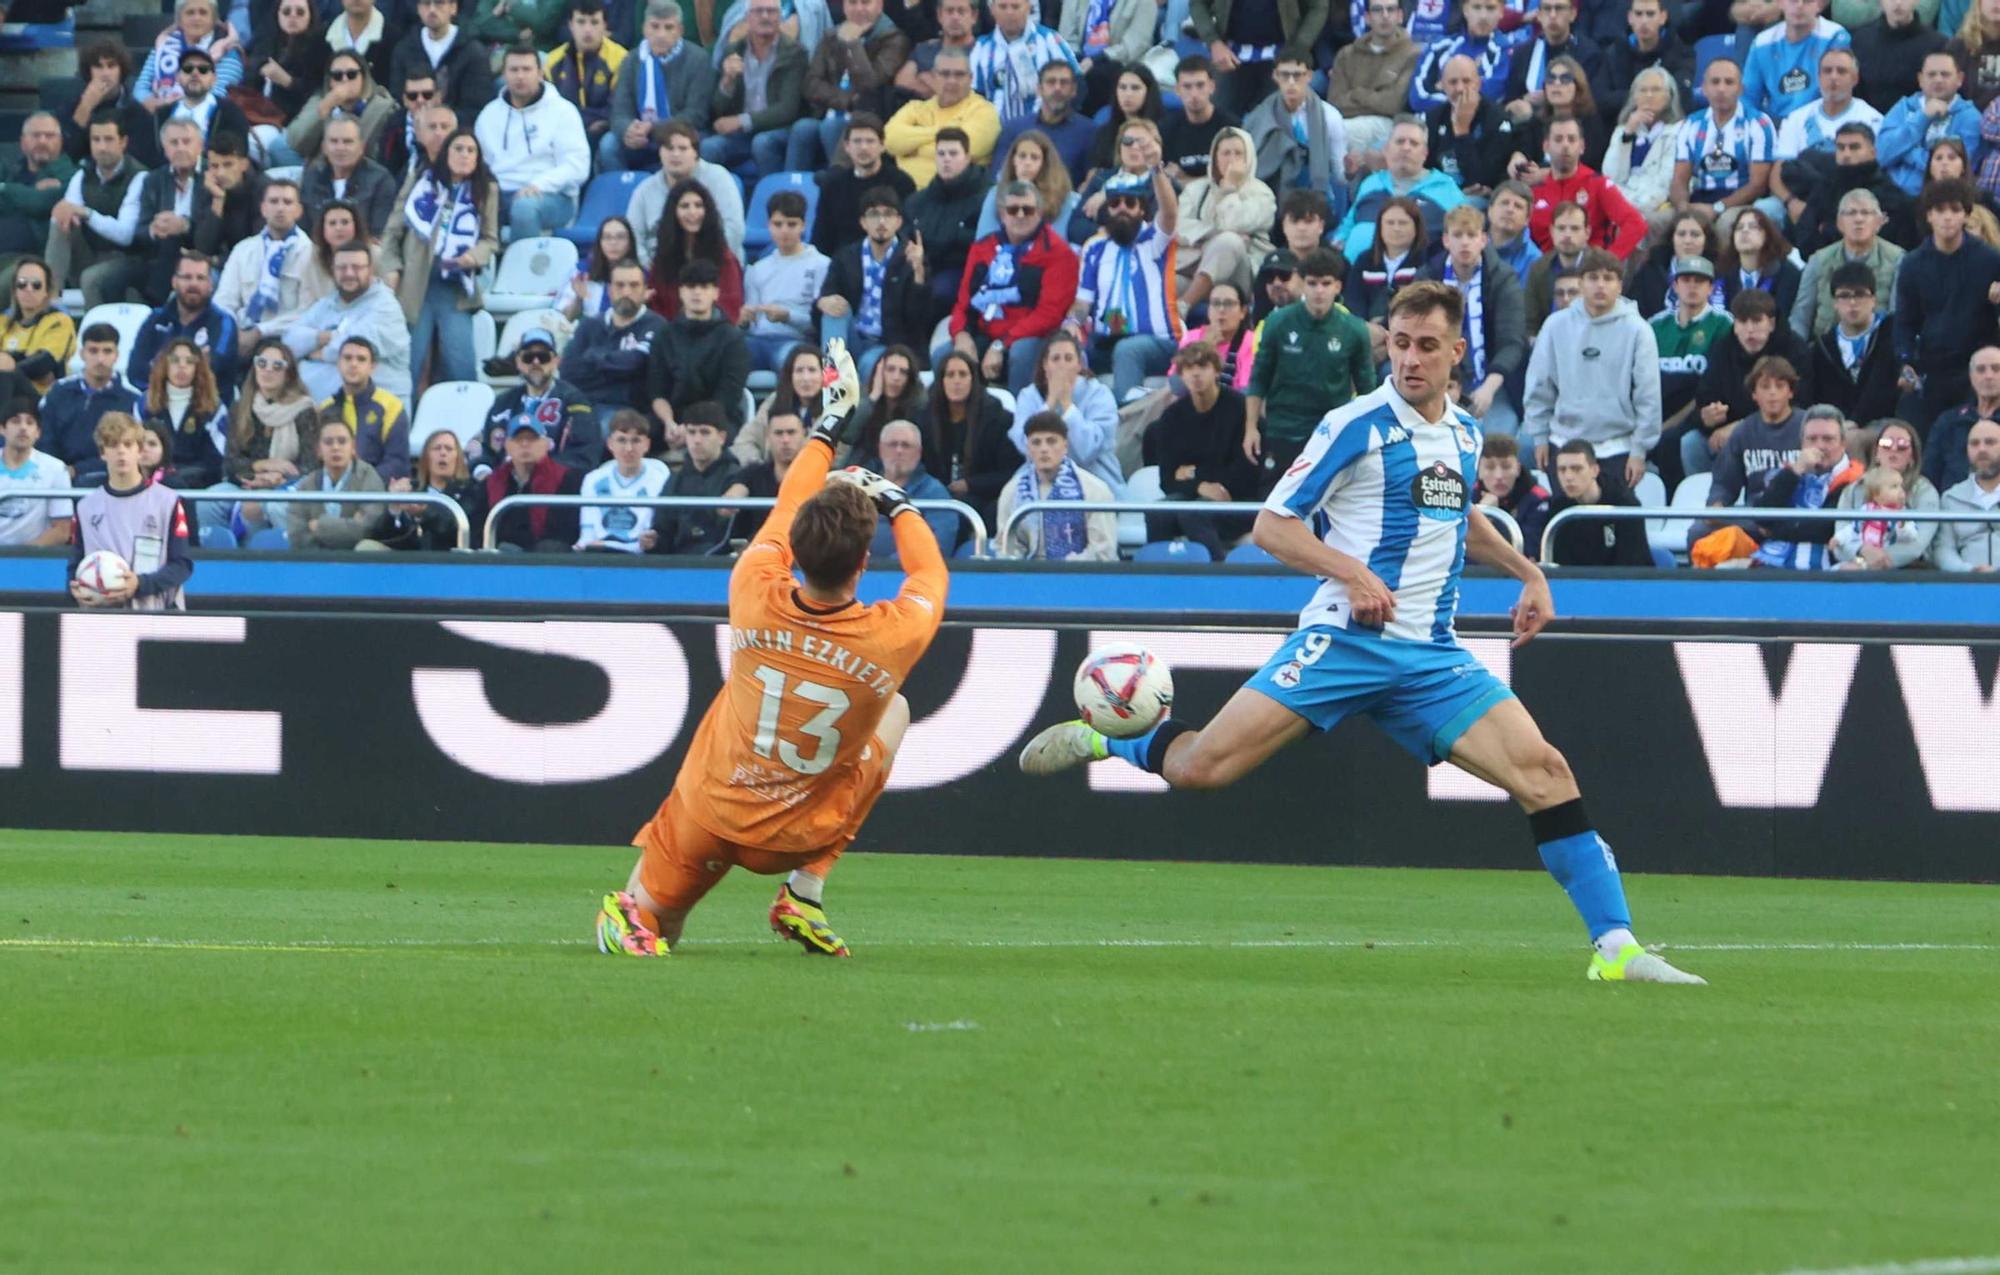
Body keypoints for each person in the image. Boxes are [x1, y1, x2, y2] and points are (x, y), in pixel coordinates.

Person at [1019, 280, 1704, 985]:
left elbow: (1459, 519)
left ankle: (1615, 947)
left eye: (1427, 346)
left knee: (1547, 772)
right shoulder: (1356, 424)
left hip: (1432, 657)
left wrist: (1529, 571)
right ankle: (1110, 737)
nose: (1410, 359)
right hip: (1345, 641)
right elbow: (1272, 525)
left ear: (1457, 352)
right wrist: (1350, 572)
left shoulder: (1466, 435)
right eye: (1399, 344)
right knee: (1202, 769)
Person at [596, 342, 944, 957]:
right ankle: (805, 890)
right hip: (798, 836)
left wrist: (831, 424)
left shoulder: (753, 587)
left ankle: (631, 918)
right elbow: (929, 577)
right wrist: (897, 500)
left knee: (660, 927)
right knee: (895, 711)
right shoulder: (892, 635)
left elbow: (787, 507)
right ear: (864, 563)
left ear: (796, 555)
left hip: (711, 809)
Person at [1522, 247, 1660, 479]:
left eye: (1608, 278)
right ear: (1581, 283)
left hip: (1619, 446)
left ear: (1620, 284)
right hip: (1564, 442)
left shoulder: (1639, 330)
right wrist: (1539, 437)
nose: (1600, 285)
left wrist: (1639, 451)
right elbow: (1539, 386)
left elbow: (1648, 397)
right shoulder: (1555, 326)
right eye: (1593, 278)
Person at [378, 126, 500, 387]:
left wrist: (474, 256)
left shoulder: (486, 189)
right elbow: (392, 231)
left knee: (461, 366)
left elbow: (490, 240)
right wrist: (391, 267)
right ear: (446, 153)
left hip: (454, 289)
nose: (465, 155)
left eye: (471, 150)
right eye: (458, 149)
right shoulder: (421, 181)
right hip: (414, 288)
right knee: (408, 367)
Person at [949, 180, 1081, 395]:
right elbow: (964, 302)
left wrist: (1002, 344)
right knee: (947, 354)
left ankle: (1022, 419)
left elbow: (1049, 314)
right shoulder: (982, 247)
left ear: (1039, 212)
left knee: (1022, 351)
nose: (1020, 215)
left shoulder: (1058, 252)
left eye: (1027, 210)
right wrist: (961, 334)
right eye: (1013, 209)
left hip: (1030, 337)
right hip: (985, 331)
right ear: (1002, 213)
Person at [1066, 166, 1182, 403]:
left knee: (1128, 350)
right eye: (1115, 203)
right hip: (1105, 343)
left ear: (1142, 209)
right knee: (1060, 349)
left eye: (1130, 203)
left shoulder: (1154, 240)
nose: (1122, 209)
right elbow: (1082, 304)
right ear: (1106, 209)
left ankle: (1126, 423)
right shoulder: (1095, 250)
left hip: (1156, 343)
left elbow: (1170, 213)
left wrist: (1157, 170)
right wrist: (1070, 325)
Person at [1895, 179, 2000, 424]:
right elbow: (1904, 321)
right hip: (1932, 367)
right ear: (1929, 216)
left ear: (1965, 215)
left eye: (1955, 209)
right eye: (1940, 210)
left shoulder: (1990, 260)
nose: (1948, 217)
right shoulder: (1913, 264)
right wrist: (1905, 360)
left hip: (1978, 365)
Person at [67, 412, 193, 610]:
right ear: (102, 452)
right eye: (113, 445)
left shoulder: (168, 501)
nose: (121, 452)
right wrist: (74, 589)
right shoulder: (86, 507)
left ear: (139, 450)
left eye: (128, 444)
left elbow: (182, 565)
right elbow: (75, 564)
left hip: (155, 615)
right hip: (101, 617)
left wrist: (139, 584)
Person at [1143, 342, 1258, 558]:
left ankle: (1217, 577)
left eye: (1203, 366)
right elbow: (1167, 479)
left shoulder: (1239, 409)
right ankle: (1158, 579)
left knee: (1194, 514)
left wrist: (1193, 473)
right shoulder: (1171, 418)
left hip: (1239, 500)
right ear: (1181, 375)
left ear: (1216, 370)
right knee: (1159, 512)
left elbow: (1245, 472)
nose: (1196, 374)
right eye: (1188, 368)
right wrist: (1201, 485)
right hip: (1195, 496)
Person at [1421, 205, 1526, 437]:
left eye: (1472, 235)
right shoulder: (1428, 277)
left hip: (1490, 380)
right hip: (1437, 378)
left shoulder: (1503, 278)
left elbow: (1513, 341)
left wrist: (1488, 388)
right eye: (1458, 235)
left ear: (1484, 240)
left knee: (1498, 437)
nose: (1465, 243)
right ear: (1446, 240)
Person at [211, 336, 324, 538]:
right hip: (248, 482)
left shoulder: (304, 410)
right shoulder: (240, 407)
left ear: (288, 373)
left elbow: (311, 465)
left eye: (277, 365)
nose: (268, 370)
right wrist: (261, 467)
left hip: (290, 485)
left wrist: (278, 479)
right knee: (208, 501)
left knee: (259, 506)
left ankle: (266, 557)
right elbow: (229, 463)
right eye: (261, 363)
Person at [474, 45, 589, 240]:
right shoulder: (489, 114)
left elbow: (577, 166)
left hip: (551, 196)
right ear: (504, 74)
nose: (520, 76)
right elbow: (481, 165)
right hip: (500, 192)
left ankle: (521, 269)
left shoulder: (563, 111)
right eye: (514, 70)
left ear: (540, 73)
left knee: (524, 208)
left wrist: (539, 184)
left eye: (527, 69)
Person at [816, 187, 931, 380]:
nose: (881, 221)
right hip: (854, 336)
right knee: (833, 313)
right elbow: (827, 294)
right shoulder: (846, 256)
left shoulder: (911, 257)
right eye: (874, 215)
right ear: (863, 222)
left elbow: (918, 321)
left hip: (889, 344)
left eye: (888, 214)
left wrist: (918, 272)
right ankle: (832, 387)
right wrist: (822, 303)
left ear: (899, 221)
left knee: (869, 363)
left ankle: (854, 403)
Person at [790, 0, 911, 171]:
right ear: (844, 7)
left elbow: (871, 85)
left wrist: (853, 44)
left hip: (868, 118)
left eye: (866, 3)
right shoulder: (831, 36)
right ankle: (792, 190)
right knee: (801, 129)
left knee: (831, 127)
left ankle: (837, 183)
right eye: (852, 3)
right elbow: (811, 84)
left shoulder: (894, 39)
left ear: (880, 6)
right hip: (830, 111)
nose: (859, 9)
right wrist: (847, 100)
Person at [285, 242, 411, 400]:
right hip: (323, 409)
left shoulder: (386, 306)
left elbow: (353, 349)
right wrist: (329, 336)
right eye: (342, 268)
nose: (349, 273)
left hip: (377, 410)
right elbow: (289, 341)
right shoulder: (328, 303)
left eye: (357, 267)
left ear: (371, 270)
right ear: (333, 271)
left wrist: (314, 353)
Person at [44, 114, 146, 307]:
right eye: (96, 140)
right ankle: (50, 300)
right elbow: (67, 213)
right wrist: (68, 212)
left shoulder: (139, 177)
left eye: (108, 140)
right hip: (90, 254)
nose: (101, 147)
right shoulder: (83, 175)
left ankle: (96, 335)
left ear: (123, 142)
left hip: (127, 259)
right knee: (61, 220)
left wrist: (86, 213)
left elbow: (125, 235)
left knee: (91, 278)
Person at [602, 2, 715, 172]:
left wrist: (654, 129)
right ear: (644, 29)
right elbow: (619, 110)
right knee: (608, 145)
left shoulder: (698, 59)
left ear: (680, 31)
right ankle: (624, 192)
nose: (661, 34)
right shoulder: (631, 60)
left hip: (680, 136)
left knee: (706, 146)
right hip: (641, 138)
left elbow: (696, 115)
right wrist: (628, 129)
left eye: (669, 27)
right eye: (654, 27)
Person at [701, 0, 809, 179]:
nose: (765, 16)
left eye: (771, 11)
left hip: (779, 129)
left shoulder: (795, 54)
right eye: (758, 11)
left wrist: (741, 121)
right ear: (747, 18)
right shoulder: (733, 51)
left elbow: (787, 110)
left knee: (763, 143)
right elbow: (718, 109)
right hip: (741, 134)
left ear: (780, 18)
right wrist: (727, 81)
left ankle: (773, 199)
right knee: (710, 147)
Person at [651, 258, 754, 442]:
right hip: (672, 420)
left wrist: (692, 430)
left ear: (716, 293)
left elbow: (728, 396)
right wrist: (670, 424)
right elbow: (657, 392)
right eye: (691, 286)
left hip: (718, 420)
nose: (697, 292)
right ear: (681, 292)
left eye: (704, 287)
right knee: (637, 433)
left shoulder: (732, 338)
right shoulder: (664, 335)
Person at [917, 348, 1018, 534]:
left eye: (963, 374)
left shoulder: (997, 418)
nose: (957, 381)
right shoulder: (926, 419)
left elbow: (1011, 473)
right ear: (941, 381)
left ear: (973, 379)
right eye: (950, 375)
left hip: (984, 497)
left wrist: (971, 484)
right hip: (937, 494)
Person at [1174, 127, 1276, 312]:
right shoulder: (1196, 189)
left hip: (1242, 275)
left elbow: (1231, 223)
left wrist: (1228, 188)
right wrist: (1212, 239)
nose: (1231, 159)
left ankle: (1184, 306)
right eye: (1225, 153)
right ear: (1215, 158)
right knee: (1166, 283)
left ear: (1249, 158)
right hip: (1196, 269)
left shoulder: (1262, 193)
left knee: (1229, 241)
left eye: (1238, 153)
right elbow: (1178, 228)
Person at [1008, 331, 1122, 494]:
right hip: (1040, 482)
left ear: (1079, 365)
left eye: (1068, 358)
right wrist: (1051, 402)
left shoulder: (1099, 394)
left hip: (1096, 483)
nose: (1062, 365)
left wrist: (1067, 404)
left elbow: (1087, 451)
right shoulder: (1029, 395)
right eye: (1055, 359)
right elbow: (1023, 445)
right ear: (1045, 365)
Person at [1334, 117, 1465, 258]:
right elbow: (1348, 225)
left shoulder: (1445, 188)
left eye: (1414, 143)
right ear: (1386, 149)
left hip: (1417, 276)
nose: (1406, 148)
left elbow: (1466, 231)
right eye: (1400, 141)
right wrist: (1338, 243)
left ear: (1425, 153)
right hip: (1356, 272)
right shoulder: (1371, 183)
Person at [1749, 408, 1863, 567]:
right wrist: (1794, 471)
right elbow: (1761, 516)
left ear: (1843, 444)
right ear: (1802, 443)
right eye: (1812, 439)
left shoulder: (1857, 481)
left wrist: (1776, 529)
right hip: (1771, 561)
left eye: (1828, 439)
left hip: (1823, 568)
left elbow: (1825, 529)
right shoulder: (1790, 473)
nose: (1819, 446)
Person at [996, 410, 1117, 559]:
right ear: (1028, 449)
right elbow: (1006, 548)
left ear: (1065, 446)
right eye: (1036, 442)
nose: (1044, 449)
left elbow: (1103, 551)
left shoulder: (1095, 490)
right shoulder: (1012, 491)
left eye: (1051, 441)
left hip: (1079, 576)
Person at [215, 179, 316, 354]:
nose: (280, 208)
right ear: (263, 208)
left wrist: (261, 331)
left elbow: (309, 311)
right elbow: (224, 301)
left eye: (287, 202)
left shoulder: (312, 254)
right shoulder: (243, 249)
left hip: (286, 339)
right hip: (241, 334)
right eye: (274, 201)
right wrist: (234, 332)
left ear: (299, 210)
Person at [1525, 116, 1646, 259]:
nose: (1565, 145)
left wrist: (1609, 261)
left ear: (1582, 146)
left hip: (1588, 271)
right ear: (1546, 147)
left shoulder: (1597, 184)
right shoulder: (1534, 191)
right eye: (1558, 139)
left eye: (1571, 139)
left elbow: (1636, 224)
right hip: (1545, 270)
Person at [1793, 185, 1905, 338]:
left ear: (1879, 222)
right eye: (1851, 213)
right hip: (1824, 351)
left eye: (1865, 213)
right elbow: (1801, 316)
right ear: (1839, 223)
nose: (1858, 219)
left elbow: (1898, 316)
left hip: (1878, 350)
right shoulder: (1818, 260)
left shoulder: (1898, 259)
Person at [626, 122, 746, 266]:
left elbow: (734, 229)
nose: (675, 154)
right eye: (669, 148)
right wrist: (651, 268)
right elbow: (634, 237)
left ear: (695, 152)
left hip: (714, 269)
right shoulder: (644, 190)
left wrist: (703, 267)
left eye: (682, 148)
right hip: (662, 272)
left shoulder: (719, 178)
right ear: (660, 152)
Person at [1671, 59, 1775, 222]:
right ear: (1704, 89)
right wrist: (1683, 208)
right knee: (1654, 222)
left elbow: (1758, 185)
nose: (1721, 89)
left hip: (1741, 204)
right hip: (1699, 199)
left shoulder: (1758, 123)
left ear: (1740, 89)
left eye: (1729, 82)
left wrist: (1718, 208)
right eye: (1715, 82)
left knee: (1726, 223)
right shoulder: (1691, 124)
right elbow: (1679, 180)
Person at [1244, 52, 1350, 214]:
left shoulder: (1330, 116)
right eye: (1285, 75)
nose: (1291, 82)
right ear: (1275, 76)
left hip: (1313, 189)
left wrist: (1350, 171)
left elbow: (1339, 171)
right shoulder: (1259, 115)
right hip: (1270, 189)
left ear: (1309, 76)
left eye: (1297, 75)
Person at [485, 327, 601, 470]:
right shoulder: (503, 402)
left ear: (556, 361)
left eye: (543, 357)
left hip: (553, 486)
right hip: (504, 484)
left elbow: (585, 455)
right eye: (528, 357)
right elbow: (485, 450)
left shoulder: (575, 401)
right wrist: (482, 471)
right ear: (518, 362)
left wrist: (538, 473)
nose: (536, 362)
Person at [884, 48, 1001, 188]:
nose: (952, 81)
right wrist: (948, 132)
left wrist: (913, 149)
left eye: (959, 75)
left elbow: (969, 148)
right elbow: (890, 141)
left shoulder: (984, 111)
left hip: (959, 197)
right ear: (933, 77)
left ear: (970, 78)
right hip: (907, 197)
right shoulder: (915, 108)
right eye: (945, 74)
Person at [741, 191, 831, 372]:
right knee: (729, 358)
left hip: (796, 341)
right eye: (778, 224)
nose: (784, 231)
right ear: (769, 226)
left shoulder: (821, 265)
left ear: (803, 226)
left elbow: (819, 324)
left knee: (790, 363)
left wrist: (787, 317)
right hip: (758, 340)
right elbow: (751, 323)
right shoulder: (757, 269)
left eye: (791, 224)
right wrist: (743, 320)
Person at [565, 260, 667, 419]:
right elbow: (569, 372)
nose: (626, 292)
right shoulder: (589, 325)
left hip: (634, 412)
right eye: (620, 285)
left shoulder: (657, 325)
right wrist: (617, 368)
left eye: (634, 285)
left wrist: (593, 355)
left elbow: (635, 363)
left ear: (644, 290)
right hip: (588, 407)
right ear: (610, 290)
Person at [469, 412, 583, 551]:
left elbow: (568, 531)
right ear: (507, 445)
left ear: (546, 444)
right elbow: (477, 530)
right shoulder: (491, 483)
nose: (524, 444)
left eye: (532, 439)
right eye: (518, 439)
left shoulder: (567, 479)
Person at [1709, 356, 1810, 513]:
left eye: (1779, 386)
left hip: (1800, 512)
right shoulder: (1743, 432)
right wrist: (1717, 503)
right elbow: (1724, 483)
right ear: (1754, 394)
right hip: (1755, 514)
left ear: (1790, 392)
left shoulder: (1809, 426)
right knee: (1699, 530)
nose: (1772, 393)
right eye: (1765, 387)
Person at [1654, 254, 1733, 448]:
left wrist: (1669, 425)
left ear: (1711, 288)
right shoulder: (1655, 325)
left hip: (1696, 414)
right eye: (1686, 280)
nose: (1692, 286)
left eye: (1699, 281)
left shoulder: (1724, 324)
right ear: (1675, 286)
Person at [243, 0, 334, 167]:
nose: (292, 16)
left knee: (250, 143)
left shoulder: (320, 47)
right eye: (286, 12)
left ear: (310, 16)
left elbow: (317, 93)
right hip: (258, 115)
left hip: (291, 124)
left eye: (300, 12)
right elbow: (248, 82)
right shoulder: (266, 42)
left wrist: (288, 81)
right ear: (277, 15)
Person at [813, 115, 918, 259]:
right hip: (843, 263)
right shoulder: (832, 185)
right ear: (847, 147)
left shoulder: (901, 183)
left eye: (870, 141)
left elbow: (907, 233)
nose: (863, 147)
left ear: (882, 145)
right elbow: (822, 236)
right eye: (857, 141)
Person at [1809, 262, 1900, 427]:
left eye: (1860, 294)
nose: (1852, 303)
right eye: (1844, 296)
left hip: (1886, 424)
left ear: (1873, 299)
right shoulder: (1823, 347)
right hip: (1837, 427)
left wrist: (1855, 421)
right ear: (1834, 303)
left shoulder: (1891, 332)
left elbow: (1883, 387)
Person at [1879, 51, 1982, 197]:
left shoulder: (1970, 117)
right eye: (1931, 74)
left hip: (1943, 199)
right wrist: (1923, 117)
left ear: (1960, 79)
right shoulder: (1903, 108)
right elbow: (1881, 155)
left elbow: (1960, 167)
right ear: (1920, 79)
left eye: (1945, 74)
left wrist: (1906, 152)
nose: (1938, 80)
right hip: (1893, 197)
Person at [1832, 427, 1937, 567]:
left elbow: (1917, 545)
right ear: (1876, 453)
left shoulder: (1925, 491)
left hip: (1908, 568)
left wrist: (1878, 561)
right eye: (1886, 444)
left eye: (1902, 445)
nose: (1893, 450)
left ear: (1912, 457)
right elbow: (1841, 538)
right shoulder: (1853, 490)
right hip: (1857, 562)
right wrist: (1862, 553)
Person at [1330, 0, 1422, 158]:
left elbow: (1393, 104)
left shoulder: (1412, 54)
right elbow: (1335, 103)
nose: (1385, 16)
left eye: (1391, 10)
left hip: (1390, 125)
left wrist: (1356, 94)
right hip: (1347, 123)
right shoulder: (1346, 55)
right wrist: (1375, 99)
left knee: (1340, 133)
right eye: (1378, 10)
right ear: (1367, 17)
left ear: (1400, 16)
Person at [648, 401, 740, 554]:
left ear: (722, 437)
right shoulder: (675, 479)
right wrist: (653, 541)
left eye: (705, 432)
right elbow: (663, 530)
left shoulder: (738, 478)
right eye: (691, 432)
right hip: (677, 565)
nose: (697, 440)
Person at [316, 334, 409, 483]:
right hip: (331, 491)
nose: (353, 364)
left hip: (374, 494)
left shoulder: (391, 406)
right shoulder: (325, 408)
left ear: (372, 367)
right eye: (347, 358)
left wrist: (361, 484)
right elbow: (315, 459)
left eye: (361, 359)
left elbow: (397, 462)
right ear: (338, 364)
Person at [648, 179, 745, 321]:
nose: (692, 212)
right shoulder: (663, 259)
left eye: (698, 205)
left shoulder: (724, 258)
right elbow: (657, 306)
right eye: (685, 206)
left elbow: (731, 307)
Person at [1423, 54, 1519, 198]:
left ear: (1478, 83)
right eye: (1453, 82)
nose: (1460, 88)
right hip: (1441, 195)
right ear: (1442, 85)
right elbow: (1427, 169)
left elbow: (1481, 180)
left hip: (1481, 199)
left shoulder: (1497, 118)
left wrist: (1462, 131)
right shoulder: (1434, 118)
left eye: (1466, 81)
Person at [1544, 439, 1653, 566]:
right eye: (1562, 470)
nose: (1568, 477)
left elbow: (1634, 563)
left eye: (1576, 469)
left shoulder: (1625, 506)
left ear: (1594, 470)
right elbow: (1558, 563)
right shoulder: (1558, 509)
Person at [969, 0, 1079, 125]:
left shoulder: (1050, 40)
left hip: (1044, 131)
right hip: (993, 133)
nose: (1009, 12)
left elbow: (1078, 83)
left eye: (1015, 6)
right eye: (1003, 6)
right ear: (992, 9)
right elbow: (972, 96)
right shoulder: (980, 47)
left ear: (1028, 7)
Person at [286, 413, 388, 548]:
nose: (335, 447)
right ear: (318, 450)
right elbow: (296, 535)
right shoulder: (307, 484)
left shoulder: (368, 477)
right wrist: (348, 524)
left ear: (353, 447)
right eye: (328, 442)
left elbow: (365, 529)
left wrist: (319, 526)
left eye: (342, 441)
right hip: (317, 562)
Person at [137, 336, 228, 488]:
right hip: (150, 483)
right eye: (175, 360)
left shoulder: (214, 407)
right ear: (164, 364)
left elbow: (217, 459)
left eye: (189, 361)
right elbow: (135, 449)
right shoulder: (144, 402)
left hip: (198, 485)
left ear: (198, 367)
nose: (182, 366)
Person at [1741, 0, 1849, 124]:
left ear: (1820, 4)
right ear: (1780, 3)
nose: (1799, 6)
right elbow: (1748, 97)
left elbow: (1837, 93)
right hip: (1777, 126)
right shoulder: (1762, 42)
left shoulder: (1834, 36)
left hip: (1820, 123)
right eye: (1793, 0)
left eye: (1808, 1)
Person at [544, 0, 626, 159]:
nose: (588, 30)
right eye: (581, 22)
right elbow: (548, 110)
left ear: (605, 26)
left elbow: (616, 109)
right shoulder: (552, 61)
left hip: (601, 132)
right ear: (570, 25)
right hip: (563, 133)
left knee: (608, 143)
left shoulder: (621, 60)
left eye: (594, 22)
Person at [371, 426, 476, 549]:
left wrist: (425, 512)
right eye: (437, 448)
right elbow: (384, 536)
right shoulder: (412, 490)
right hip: (408, 560)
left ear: (458, 458)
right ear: (426, 457)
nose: (443, 453)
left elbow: (457, 528)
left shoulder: (470, 490)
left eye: (449, 449)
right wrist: (395, 508)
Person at [577, 409, 668, 551]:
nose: (629, 448)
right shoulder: (593, 480)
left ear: (647, 445)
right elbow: (587, 534)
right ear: (610, 443)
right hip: (597, 554)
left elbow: (647, 542)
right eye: (621, 440)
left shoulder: (660, 480)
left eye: (636, 440)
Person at [385, 0, 494, 118]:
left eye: (439, 3)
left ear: (453, 7)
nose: (432, 10)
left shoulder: (473, 52)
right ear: (418, 9)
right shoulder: (404, 49)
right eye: (426, 3)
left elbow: (477, 105)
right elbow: (397, 98)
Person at [287, 49, 395, 168]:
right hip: (318, 173)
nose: (344, 80)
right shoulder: (321, 101)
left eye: (351, 75)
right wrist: (322, 110)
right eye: (337, 76)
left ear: (363, 77)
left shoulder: (384, 108)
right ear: (330, 81)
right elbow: (295, 143)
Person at [1005, 58, 1102, 187]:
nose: (1057, 88)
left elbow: (1092, 179)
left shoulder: (1090, 131)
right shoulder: (1014, 128)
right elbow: (1000, 175)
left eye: (1064, 83)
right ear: (1039, 89)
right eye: (1051, 82)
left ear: (1074, 90)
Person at [300, 115, 399, 238]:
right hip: (318, 252)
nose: (340, 148)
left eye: (348, 142)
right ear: (324, 148)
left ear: (361, 147)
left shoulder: (380, 180)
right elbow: (303, 229)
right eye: (334, 141)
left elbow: (378, 233)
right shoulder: (311, 177)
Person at [1603, 67, 1684, 217]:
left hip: (1658, 205)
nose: (1649, 95)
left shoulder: (1679, 132)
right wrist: (1627, 135)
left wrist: (1631, 207)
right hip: (1622, 201)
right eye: (1643, 90)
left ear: (1669, 96)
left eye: (1656, 90)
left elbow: (1665, 183)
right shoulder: (1623, 130)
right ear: (1634, 96)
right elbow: (1611, 176)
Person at [1408, 0, 1513, 114]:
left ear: (1501, 11)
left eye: (1490, 8)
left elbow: (1490, 94)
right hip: (1432, 125)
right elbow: (1417, 99)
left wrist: (1444, 87)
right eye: (1476, 7)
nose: (1483, 16)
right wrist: (1466, 93)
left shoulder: (1506, 49)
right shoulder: (1439, 46)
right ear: (1465, 10)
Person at [0, 113, 79, 262]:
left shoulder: (71, 175)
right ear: (23, 142)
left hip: (33, 259)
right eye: (36, 135)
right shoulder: (14, 170)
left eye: (49, 136)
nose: (42, 141)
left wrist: (6, 189)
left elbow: (40, 202)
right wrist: (28, 194)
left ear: (61, 141)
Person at [1922, 345, 2000, 491]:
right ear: (1971, 376)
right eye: (1981, 370)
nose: (1988, 376)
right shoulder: (1948, 422)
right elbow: (1929, 475)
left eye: (1996, 369)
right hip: (1953, 507)